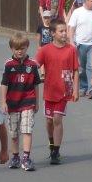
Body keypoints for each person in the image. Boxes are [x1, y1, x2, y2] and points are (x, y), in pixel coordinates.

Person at [35, 19, 80, 165]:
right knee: (49, 121)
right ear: (52, 33)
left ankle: (55, 151)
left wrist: (76, 89)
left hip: (64, 91)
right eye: (61, 31)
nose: (64, 33)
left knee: (57, 119)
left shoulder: (71, 49)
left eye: (65, 31)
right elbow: (35, 65)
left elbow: (75, 70)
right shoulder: (45, 50)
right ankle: (51, 143)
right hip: (49, 91)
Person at [0, 32, 41, 172]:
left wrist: (37, 102)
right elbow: (4, 84)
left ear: (27, 47)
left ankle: (26, 158)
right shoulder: (8, 65)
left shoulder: (32, 65)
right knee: (14, 133)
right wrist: (3, 101)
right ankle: (16, 156)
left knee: (27, 129)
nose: (19, 51)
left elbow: (36, 84)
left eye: (22, 48)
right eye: (16, 49)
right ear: (11, 48)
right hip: (12, 103)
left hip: (28, 101)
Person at [68, 0, 92, 98]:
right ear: (86, 1)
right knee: (81, 67)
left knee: (91, 66)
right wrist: (71, 41)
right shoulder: (77, 12)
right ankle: (83, 87)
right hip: (80, 44)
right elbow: (71, 28)